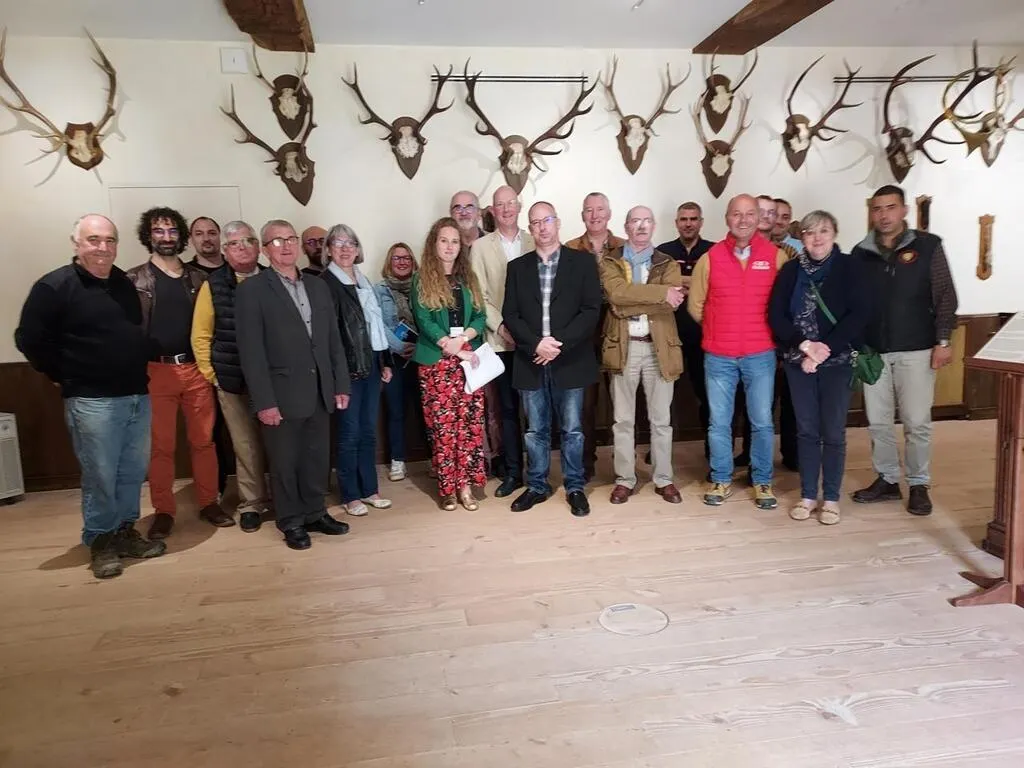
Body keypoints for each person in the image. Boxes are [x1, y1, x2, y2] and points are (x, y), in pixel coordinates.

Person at [15, 214, 165, 578]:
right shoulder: (54, 286)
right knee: (100, 475)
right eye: (94, 239)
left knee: (131, 473)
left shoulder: (123, 283)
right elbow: (29, 339)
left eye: (110, 240)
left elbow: (129, 332)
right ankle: (101, 540)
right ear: (77, 243)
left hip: (135, 394)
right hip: (92, 400)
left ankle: (125, 532)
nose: (103, 247)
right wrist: (61, 374)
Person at [236, 219, 351, 550]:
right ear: (264, 249)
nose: (285, 246)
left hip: (320, 389)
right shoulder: (252, 291)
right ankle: (291, 520)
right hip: (280, 393)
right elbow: (251, 353)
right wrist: (264, 402)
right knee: (285, 462)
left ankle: (315, 512)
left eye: (290, 239)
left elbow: (332, 341)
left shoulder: (318, 286)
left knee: (316, 457)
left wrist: (340, 383)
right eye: (276, 241)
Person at [851, 184, 959, 516]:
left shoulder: (928, 246)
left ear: (904, 210)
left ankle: (918, 484)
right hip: (874, 353)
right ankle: (887, 479)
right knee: (878, 422)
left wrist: (943, 341)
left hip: (917, 349)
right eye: (877, 209)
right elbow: (853, 302)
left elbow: (945, 295)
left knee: (916, 421)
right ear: (871, 212)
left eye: (890, 207)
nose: (884, 215)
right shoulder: (860, 253)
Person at [127, 207, 227, 539]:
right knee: (161, 447)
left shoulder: (199, 279)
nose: (166, 237)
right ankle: (164, 511)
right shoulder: (134, 280)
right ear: (148, 236)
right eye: (159, 231)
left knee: (204, 442)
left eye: (172, 231)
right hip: (155, 372)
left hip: (196, 370)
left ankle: (209, 502)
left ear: (181, 236)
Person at [768, 211, 871, 525]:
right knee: (807, 430)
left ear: (834, 233)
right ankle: (808, 495)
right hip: (799, 360)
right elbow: (776, 316)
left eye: (823, 230)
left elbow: (859, 314)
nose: (817, 238)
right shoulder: (790, 270)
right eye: (810, 232)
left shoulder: (851, 266)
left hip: (836, 361)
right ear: (801, 237)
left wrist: (822, 351)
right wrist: (805, 347)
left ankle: (832, 497)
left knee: (833, 432)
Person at [688, 194, 789, 510]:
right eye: (736, 214)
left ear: (759, 218)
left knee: (762, 422)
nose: (743, 220)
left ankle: (762, 481)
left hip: (761, 354)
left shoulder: (775, 257)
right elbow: (695, 305)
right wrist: (720, 328)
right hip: (719, 356)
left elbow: (783, 306)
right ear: (727, 218)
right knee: (719, 423)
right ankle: (721, 478)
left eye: (749, 214)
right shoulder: (710, 258)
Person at [501, 201, 602, 516]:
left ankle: (575, 486)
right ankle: (537, 485)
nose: (542, 227)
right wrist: (536, 345)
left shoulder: (582, 263)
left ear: (557, 223)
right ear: (529, 229)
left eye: (547, 220)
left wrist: (558, 344)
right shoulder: (517, 268)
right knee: (535, 430)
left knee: (572, 429)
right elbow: (510, 314)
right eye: (535, 222)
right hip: (531, 359)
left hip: (570, 358)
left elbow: (591, 310)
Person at [190, 220, 272, 532]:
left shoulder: (273, 279)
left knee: (279, 441)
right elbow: (201, 335)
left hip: (274, 379)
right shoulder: (213, 285)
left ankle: (286, 498)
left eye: (248, 241)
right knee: (245, 444)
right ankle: (252, 503)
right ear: (225, 251)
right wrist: (212, 374)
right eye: (234, 243)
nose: (242, 248)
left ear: (258, 247)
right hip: (232, 379)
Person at [600, 206, 685, 505]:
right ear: (626, 226)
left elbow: (671, 302)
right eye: (635, 221)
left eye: (646, 221)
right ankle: (625, 480)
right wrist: (660, 294)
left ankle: (664, 479)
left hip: (659, 348)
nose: (641, 226)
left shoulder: (667, 262)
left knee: (661, 420)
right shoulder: (611, 260)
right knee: (622, 420)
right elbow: (616, 295)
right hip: (624, 346)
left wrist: (628, 302)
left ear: (654, 225)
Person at [411, 216, 487, 511]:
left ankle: (466, 487)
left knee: (469, 426)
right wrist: (450, 345)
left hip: (469, 360)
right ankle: (448, 489)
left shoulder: (469, 278)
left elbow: (479, 317)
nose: (449, 246)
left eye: (455, 241)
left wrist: (464, 340)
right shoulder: (422, 278)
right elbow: (424, 320)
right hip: (437, 363)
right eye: (444, 240)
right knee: (443, 429)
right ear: (434, 243)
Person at [321, 224, 394, 517]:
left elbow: (375, 327)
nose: (345, 248)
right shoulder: (326, 283)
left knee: (368, 431)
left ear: (357, 248)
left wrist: (385, 361)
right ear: (328, 249)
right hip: (347, 370)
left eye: (350, 243)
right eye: (338, 243)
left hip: (371, 364)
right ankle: (350, 494)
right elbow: (329, 336)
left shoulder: (364, 281)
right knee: (349, 433)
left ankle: (370, 489)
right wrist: (338, 375)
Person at [470, 185, 535, 498]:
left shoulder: (536, 240)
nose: (507, 208)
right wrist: (503, 327)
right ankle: (512, 473)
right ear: (493, 210)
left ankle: (538, 472)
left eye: (511, 203)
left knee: (535, 410)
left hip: (534, 342)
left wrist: (528, 333)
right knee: (507, 410)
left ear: (519, 206)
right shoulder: (480, 247)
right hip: (501, 341)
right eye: (500, 204)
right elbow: (479, 296)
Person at [564, 191, 626, 480]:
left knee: (622, 401)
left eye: (600, 209)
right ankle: (586, 462)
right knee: (584, 403)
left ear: (609, 214)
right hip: (583, 333)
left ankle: (623, 465)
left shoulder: (624, 247)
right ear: (582, 216)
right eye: (589, 210)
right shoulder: (570, 248)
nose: (595, 215)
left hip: (617, 328)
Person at [656, 202, 714, 464]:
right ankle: (660, 451)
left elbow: (715, 285)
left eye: (693, 219)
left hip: (704, 336)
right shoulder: (663, 252)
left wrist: (680, 281)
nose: (688, 223)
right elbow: (658, 286)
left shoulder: (713, 251)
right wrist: (695, 282)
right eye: (683, 219)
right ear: (676, 223)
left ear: (700, 222)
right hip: (670, 335)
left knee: (708, 395)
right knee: (664, 397)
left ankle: (713, 449)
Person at [375, 242, 425, 482]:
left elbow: (429, 319)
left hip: (423, 356)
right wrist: (400, 347)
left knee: (427, 409)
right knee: (396, 411)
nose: (402, 262)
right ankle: (398, 460)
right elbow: (378, 324)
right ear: (389, 262)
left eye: (406, 258)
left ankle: (436, 458)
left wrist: (418, 347)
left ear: (413, 262)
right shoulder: (379, 290)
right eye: (397, 258)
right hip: (394, 359)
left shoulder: (423, 287)